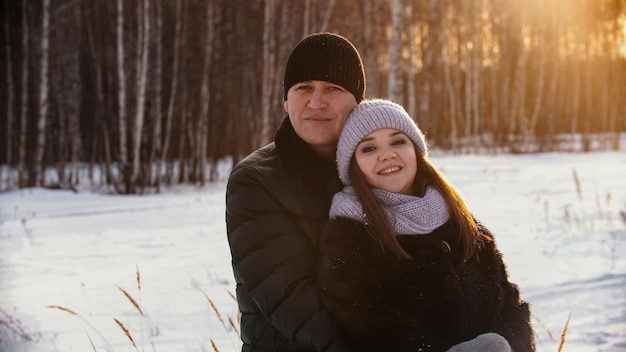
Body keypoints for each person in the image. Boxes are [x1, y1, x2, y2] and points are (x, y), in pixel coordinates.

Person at [319, 99, 535, 352]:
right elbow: (362, 324)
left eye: (398, 141)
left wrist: (506, 345)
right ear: (352, 165)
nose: (387, 154)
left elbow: (510, 302)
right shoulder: (349, 234)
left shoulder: (456, 215)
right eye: (368, 148)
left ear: (415, 150)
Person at [225, 32, 366, 351]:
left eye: (333, 88)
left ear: (357, 102)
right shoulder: (255, 180)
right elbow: (295, 302)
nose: (317, 102)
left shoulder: (380, 168)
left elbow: (458, 250)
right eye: (304, 88)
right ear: (286, 101)